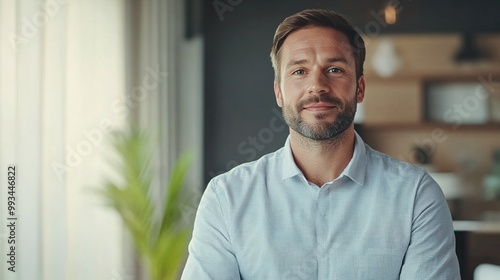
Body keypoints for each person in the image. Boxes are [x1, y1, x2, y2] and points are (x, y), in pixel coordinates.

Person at [181, 8, 460, 280]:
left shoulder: (416, 197)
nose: (317, 85)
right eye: (299, 72)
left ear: (359, 88)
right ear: (279, 92)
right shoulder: (227, 198)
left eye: (335, 69)